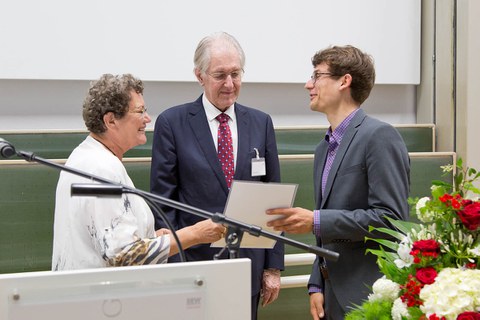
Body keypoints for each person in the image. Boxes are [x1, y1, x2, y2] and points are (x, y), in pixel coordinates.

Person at [266, 45, 410, 319]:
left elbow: (390, 221)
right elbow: (327, 229)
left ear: (344, 81)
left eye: (317, 75)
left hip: (368, 294)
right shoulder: (323, 148)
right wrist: (316, 282)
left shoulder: (379, 136)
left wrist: (316, 221)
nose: (308, 84)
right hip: (330, 295)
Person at [150, 32, 284, 319]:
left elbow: (273, 198)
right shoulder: (172, 123)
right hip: (193, 266)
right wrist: (173, 263)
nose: (229, 84)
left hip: (249, 266)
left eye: (236, 74)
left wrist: (273, 266)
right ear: (199, 75)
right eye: (220, 75)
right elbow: (163, 201)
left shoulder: (260, 122)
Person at [52, 73, 226, 271]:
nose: (147, 119)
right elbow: (124, 254)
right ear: (111, 121)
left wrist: (151, 238)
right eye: (139, 111)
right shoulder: (101, 168)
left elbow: (111, 238)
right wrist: (194, 234)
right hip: (99, 296)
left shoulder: (84, 156)